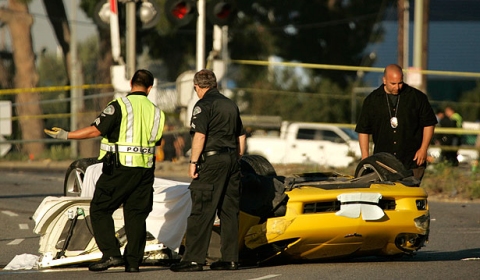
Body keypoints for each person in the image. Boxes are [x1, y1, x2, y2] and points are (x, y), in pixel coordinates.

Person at [45, 69, 165, 273]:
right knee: (136, 215)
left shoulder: (120, 106)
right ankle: (133, 263)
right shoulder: (157, 112)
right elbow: (158, 141)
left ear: (131, 84)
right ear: (150, 88)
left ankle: (111, 255)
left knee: (100, 208)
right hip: (145, 170)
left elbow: (95, 130)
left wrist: (67, 135)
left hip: (120, 168)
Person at [170, 69, 246, 272]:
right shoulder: (231, 104)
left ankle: (193, 259)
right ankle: (230, 259)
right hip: (232, 160)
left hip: (212, 161)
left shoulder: (203, 105)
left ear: (197, 86)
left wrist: (193, 162)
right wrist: (235, 159)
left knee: (202, 210)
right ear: (215, 85)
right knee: (229, 212)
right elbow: (241, 137)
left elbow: (200, 136)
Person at [355, 64, 437, 181]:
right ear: (384, 80)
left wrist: (423, 149)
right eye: (393, 84)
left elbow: (429, 123)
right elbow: (363, 130)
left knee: (408, 194)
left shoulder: (417, 98)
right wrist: (365, 157)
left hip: (411, 161)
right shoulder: (372, 100)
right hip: (382, 163)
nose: (397, 87)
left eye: (400, 83)